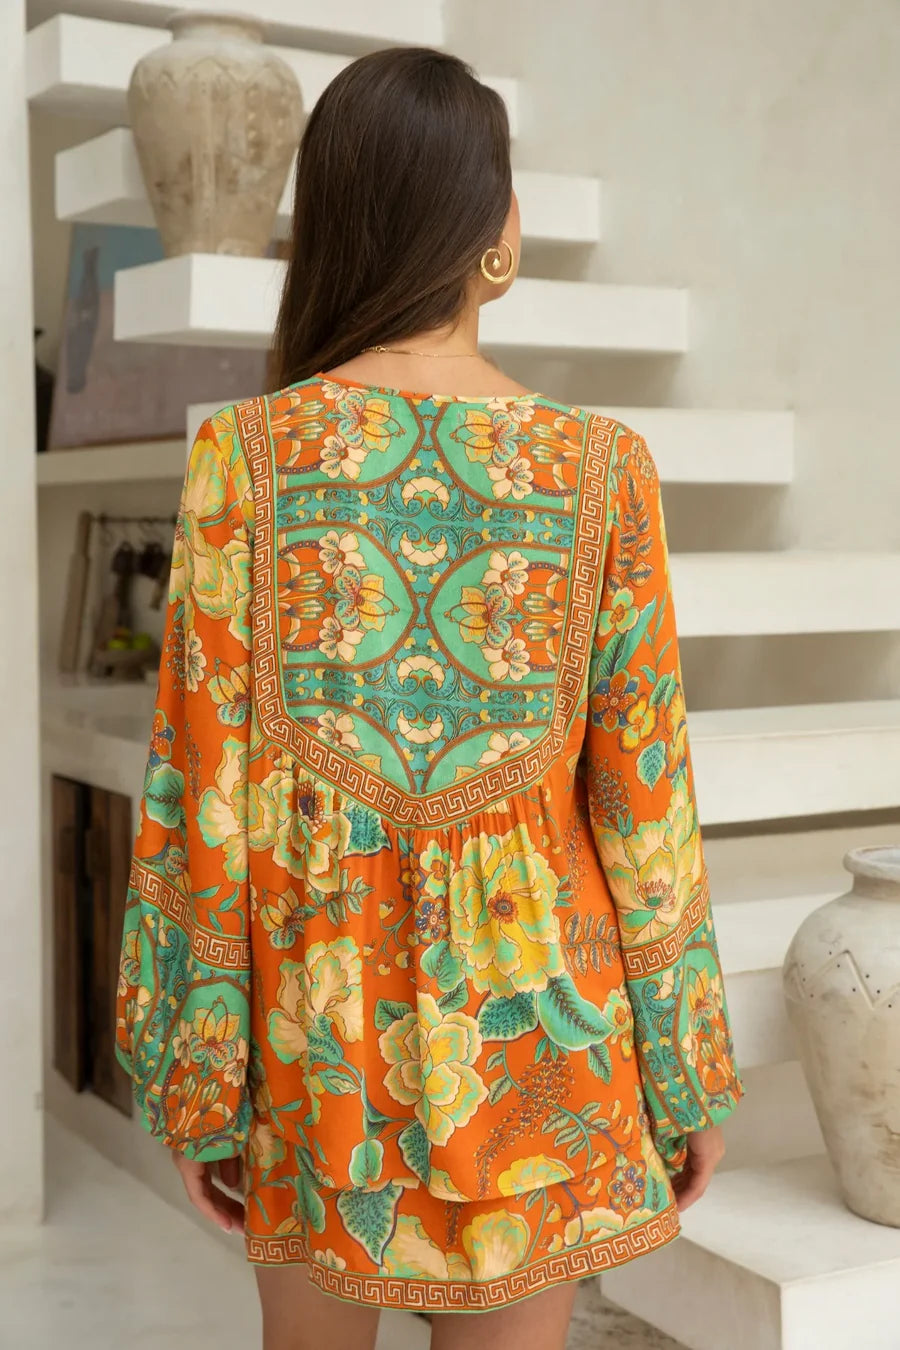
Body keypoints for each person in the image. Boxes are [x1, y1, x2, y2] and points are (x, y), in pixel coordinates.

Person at [115, 45, 742, 1350]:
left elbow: (200, 800)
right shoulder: (601, 471)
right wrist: (684, 1069)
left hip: (312, 1038)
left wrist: (200, 1073)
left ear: (329, 222)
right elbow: (646, 801)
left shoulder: (245, 459)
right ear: (498, 229)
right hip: (541, 1031)